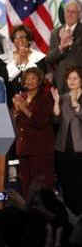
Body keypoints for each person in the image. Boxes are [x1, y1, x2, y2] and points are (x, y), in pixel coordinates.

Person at [12, 67, 54, 200]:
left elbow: (40, 122)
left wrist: (24, 107)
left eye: (33, 78)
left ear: (39, 81)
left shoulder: (45, 98)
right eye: (27, 78)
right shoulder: (21, 96)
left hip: (39, 150)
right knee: (25, 186)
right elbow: (17, 123)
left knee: (40, 187)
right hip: (23, 149)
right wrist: (16, 111)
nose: (29, 81)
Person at [51, 66, 82, 215]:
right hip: (63, 147)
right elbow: (56, 121)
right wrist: (56, 103)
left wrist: (77, 105)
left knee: (79, 182)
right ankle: (70, 213)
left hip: (80, 149)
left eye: (75, 78)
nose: (72, 81)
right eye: (69, 78)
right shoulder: (62, 98)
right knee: (66, 181)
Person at [6, 25, 47, 108]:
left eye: (22, 37)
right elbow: (6, 79)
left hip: (35, 101)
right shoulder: (4, 58)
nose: (19, 40)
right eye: (16, 37)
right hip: (11, 101)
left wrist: (25, 60)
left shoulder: (40, 58)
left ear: (29, 40)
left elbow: (41, 80)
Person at [46, 0, 82, 95]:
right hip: (60, 83)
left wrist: (71, 45)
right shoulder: (55, 33)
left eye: (73, 12)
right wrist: (61, 47)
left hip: (79, 83)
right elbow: (49, 58)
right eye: (67, 11)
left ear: (79, 15)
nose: (69, 14)